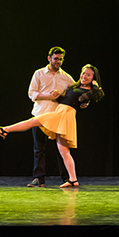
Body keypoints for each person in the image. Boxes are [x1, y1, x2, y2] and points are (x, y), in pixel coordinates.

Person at [0, 65, 104, 188]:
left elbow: (82, 100)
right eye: (83, 73)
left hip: (64, 114)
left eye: (88, 75)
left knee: (33, 122)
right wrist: (58, 95)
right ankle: (73, 180)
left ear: (94, 78)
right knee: (64, 151)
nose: (84, 76)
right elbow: (68, 99)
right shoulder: (76, 86)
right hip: (61, 113)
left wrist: (96, 87)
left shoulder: (88, 92)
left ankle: (4, 130)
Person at [25, 46, 75, 187]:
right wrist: (48, 95)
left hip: (57, 117)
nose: (58, 61)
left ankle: (67, 178)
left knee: (62, 150)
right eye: (55, 59)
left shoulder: (66, 77)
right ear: (49, 58)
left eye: (60, 59)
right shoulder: (39, 74)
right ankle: (38, 179)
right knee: (39, 149)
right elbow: (31, 93)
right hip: (41, 114)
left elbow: (74, 94)